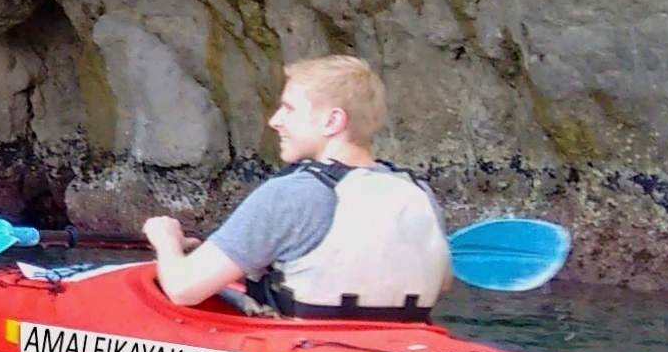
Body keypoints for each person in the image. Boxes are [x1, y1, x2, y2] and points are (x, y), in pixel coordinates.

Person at [141, 54, 449, 317]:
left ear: (332, 122)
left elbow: (184, 289)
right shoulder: (419, 193)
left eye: (289, 109)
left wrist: (166, 240)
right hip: (405, 350)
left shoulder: (292, 194)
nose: (275, 121)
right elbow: (441, 281)